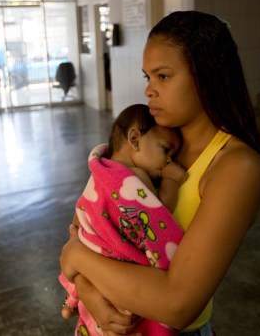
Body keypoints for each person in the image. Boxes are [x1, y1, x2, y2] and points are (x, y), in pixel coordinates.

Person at [60, 11, 260, 336]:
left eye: (163, 76)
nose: (149, 90)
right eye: (147, 77)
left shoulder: (236, 167)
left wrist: (77, 259)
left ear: (207, 76)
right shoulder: (154, 139)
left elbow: (178, 303)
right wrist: (89, 292)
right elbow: (93, 226)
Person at [59, 103, 188, 336]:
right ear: (135, 139)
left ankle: (71, 302)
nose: (169, 161)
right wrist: (172, 180)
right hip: (117, 265)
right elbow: (159, 211)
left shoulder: (101, 170)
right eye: (165, 150)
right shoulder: (134, 178)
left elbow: (82, 210)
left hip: (92, 256)